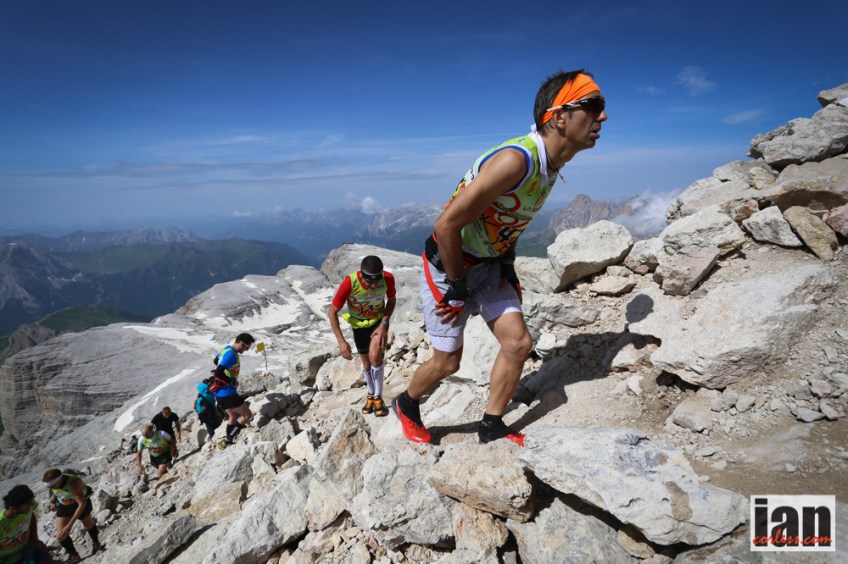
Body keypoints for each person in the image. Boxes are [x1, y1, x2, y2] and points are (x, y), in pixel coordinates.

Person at [393, 69, 608, 446]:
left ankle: (491, 426)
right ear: (559, 117)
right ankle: (407, 403)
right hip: (450, 266)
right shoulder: (516, 161)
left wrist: (507, 264)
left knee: (519, 343)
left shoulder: (550, 164)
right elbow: (446, 225)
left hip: (491, 265)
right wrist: (457, 287)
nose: (602, 116)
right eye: (592, 105)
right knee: (448, 362)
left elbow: (510, 220)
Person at [328, 255, 396, 417]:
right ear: (361, 275)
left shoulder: (387, 279)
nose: (373, 286)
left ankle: (378, 397)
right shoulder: (350, 283)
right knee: (366, 363)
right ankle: (370, 394)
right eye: (369, 283)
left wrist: (384, 324)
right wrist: (341, 342)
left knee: (375, 357)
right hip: (358, 326)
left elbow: (392, 300)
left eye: (376, 282)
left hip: (377, 323)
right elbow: (332, 312)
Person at [42, 468, 103, 562]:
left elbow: (82, 503)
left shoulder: (73, 483)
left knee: (88, 524)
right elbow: (55, 491)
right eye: (48, 486)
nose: (50, 488)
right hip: (65, 504)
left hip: (81, 503)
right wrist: (53, 501)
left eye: (52, 485)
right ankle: (74, 555)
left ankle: (96, 543)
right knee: (60, 536)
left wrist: (69, 525)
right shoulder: (55, 485)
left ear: (60, 479)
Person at [212, 333, 255, 448]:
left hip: (220, 393)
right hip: (228, 394)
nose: (247, 350)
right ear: (241, 343)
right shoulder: (231, 354)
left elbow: (216, 361)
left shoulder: (226, 349)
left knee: (234, 416)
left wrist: (226, 372)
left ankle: (227, 441)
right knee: (247, 415)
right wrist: (231, 381)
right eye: (247, 347)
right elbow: (218, 372)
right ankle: (228, 440)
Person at [1, 485, 52, 563]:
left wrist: (35, 539)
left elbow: (31, 516)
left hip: (28, 546)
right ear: (13, 508)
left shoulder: (28, 507)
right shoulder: (1, 523)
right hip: (8, 558)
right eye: (28, 504)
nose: (31, 505)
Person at [196, 374, 222, 441]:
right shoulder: (209, 393)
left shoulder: (200, 396)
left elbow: (198, 407)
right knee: (215, 423)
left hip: (205, 415)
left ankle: (213, 438)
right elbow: (213, 401)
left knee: (209, 427)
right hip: (212, 411)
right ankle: (218, 436)